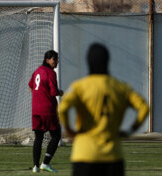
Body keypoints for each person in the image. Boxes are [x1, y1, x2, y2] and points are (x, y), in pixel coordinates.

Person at [59, 43, 149, 176]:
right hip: (113, 155)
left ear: (88, 62)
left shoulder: (80, 86)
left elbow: (63, 108)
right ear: (107, 61)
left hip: (84, 153)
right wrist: (131, 129)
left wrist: (69, 129)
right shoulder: (120, 87)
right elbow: (144, 108)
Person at [28, 50, 64, 173]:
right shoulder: (50, 73)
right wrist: (61, 92)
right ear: (47, 60)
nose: (57, 62)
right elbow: (53, 92)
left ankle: (35, 166)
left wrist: (38, 96)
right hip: (48, 110)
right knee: (56, 135)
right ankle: (45, 164)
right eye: (55, 59)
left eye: (57, 59)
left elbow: (30, 85)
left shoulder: (37, 71)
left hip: (36, 110)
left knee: (38, 137)